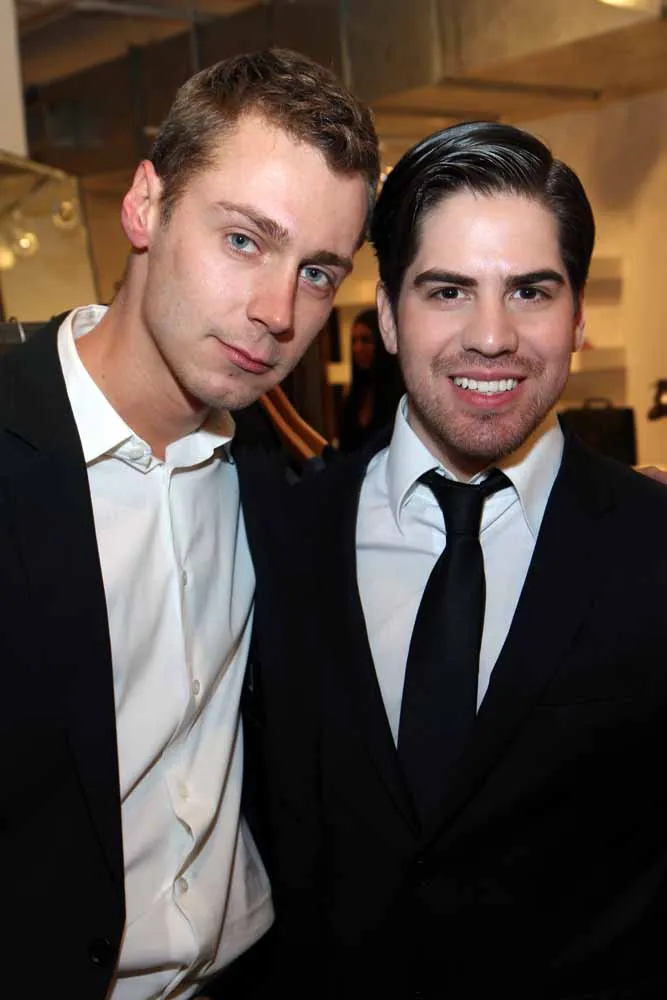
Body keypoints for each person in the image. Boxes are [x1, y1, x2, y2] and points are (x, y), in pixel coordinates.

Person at [251, 121, 667, 998]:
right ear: (387, 316)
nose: (490, 336)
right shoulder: (276, 538)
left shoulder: (651, 541)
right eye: (446, 291)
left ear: (577, 316)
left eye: (529, 292)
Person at [0, 48, 378, 1000]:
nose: (276, 313)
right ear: (145, 206)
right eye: (244, 240)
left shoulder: (282, 478)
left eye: (317, 272)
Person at [338, 307, 404, 452]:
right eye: (354, 341)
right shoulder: (354, 397)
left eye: (365, 340)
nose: (357, 348)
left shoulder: (402, 398)